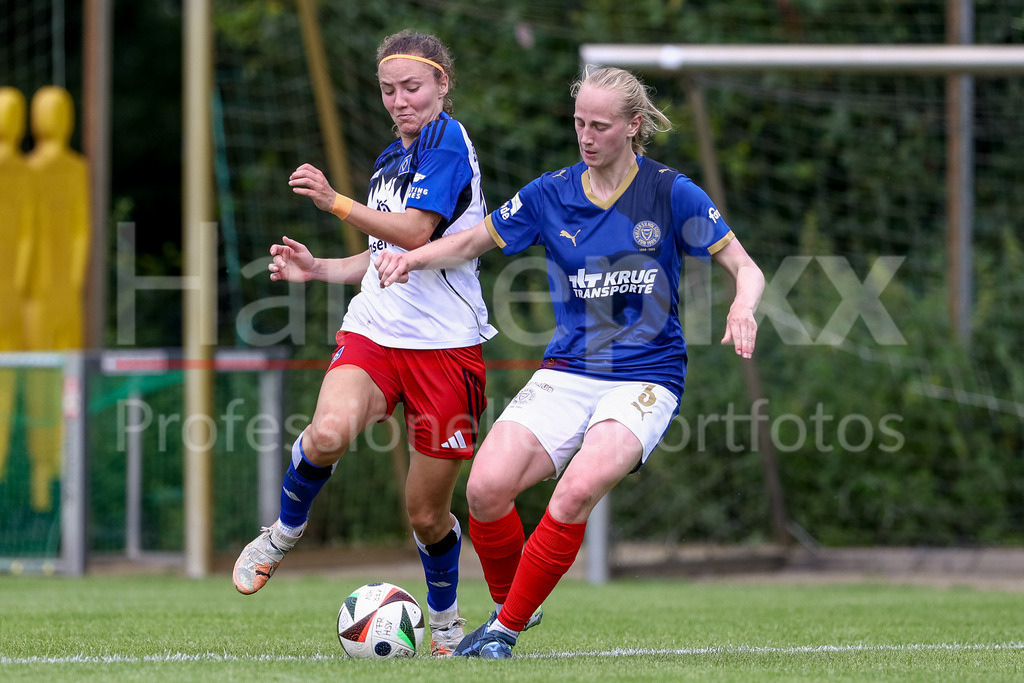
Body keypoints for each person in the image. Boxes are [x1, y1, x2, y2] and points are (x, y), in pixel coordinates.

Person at [375, 65, 765, 659]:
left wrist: (743, 305)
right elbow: (472, 240)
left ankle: (501, 634)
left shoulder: (669, 191)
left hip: (647, 379)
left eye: (600, 125)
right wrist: (415, 257)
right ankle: (512, 613)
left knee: (573, 492)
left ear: (633, 126)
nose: (585, 135)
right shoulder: (550, 192)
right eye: (579, 122)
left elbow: (748, 267)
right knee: (484, 489)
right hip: (567, 371)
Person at [232, 30, 502, 657]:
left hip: (446, 349)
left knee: (426, 516)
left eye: (412, 87)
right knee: (327, 433)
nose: (400, 100)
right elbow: (383, 252)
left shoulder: (449, 143)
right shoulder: (390, 157)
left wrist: (335, 201)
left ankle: (445, 620)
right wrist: (320, 268)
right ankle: (283, 532)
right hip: (375, 332)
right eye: (388, 90)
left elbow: (413, 231)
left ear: (442, 85)